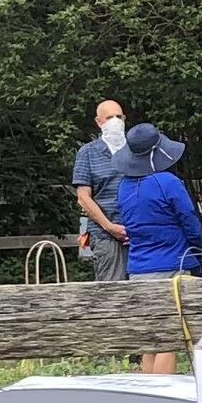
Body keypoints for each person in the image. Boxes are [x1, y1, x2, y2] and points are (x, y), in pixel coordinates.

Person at [115, 122, 202, 373]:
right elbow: (189, 221)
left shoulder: (124, 186)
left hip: (138, 269)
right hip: (172, 265)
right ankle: (165, 391)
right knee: (169, 339)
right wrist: (196, 248)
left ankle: (148, 393)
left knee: (151, 337)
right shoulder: (168, 182)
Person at [72, 100, 130, 281]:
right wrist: (109, 227)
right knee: (111, 288)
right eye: (109, 117)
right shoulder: (87, 152)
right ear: (98, 122)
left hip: (138, 233)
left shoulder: (135, 149)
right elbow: (83, 197)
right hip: (105, 236)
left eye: (119, 117)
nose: (115, 121)